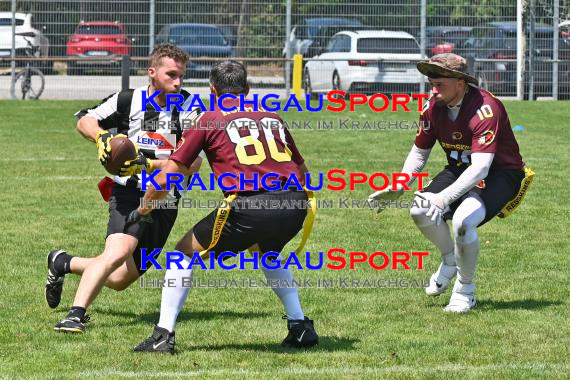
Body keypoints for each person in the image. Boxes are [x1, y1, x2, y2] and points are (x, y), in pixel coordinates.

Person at [127, 60, 318, 354]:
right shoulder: (272, 116)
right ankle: (300, 327)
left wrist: (142, 209)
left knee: (182, 254)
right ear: (248, 89)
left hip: (252, 205)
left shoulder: (209, 119)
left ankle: (163, 335)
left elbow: (170, 174)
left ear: (212, 90)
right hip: (296, 202)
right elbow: (302, 170)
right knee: (266, 253)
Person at [47, 43, 203, 333]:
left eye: (182, 75)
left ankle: (63, 262)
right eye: (171, 75)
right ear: (152, 72)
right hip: (129, 193)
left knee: (119, 279)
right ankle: (75, 314)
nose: (178, 82)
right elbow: (85, 119)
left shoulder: (191, 107)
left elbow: (193, 164)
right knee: (118, 251)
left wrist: (146, 164)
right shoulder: (127, 99)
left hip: (166, 200)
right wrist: (102, 139)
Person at [370, 53, 533, 313]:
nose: (433, 90)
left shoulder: (485, 108)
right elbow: (420, 151)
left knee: (463, 222)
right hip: (461, 169)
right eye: (431, 83)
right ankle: (449, 260)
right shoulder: (432, 106)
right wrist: (401, 183)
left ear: (460, 82)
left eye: (440, 84)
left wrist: (444, 198)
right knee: (419, 209)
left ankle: (465, 290)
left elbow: (481, 168)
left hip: (500, 173)